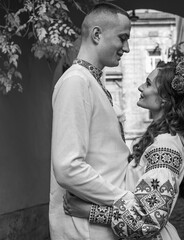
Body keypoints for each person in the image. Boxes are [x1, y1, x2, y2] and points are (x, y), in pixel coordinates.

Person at [63, 55, 184, 239]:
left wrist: (89, 211)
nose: (140, 87)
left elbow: (149, 219)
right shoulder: (163, 139)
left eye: (148, 83)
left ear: (165, 100)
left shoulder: (165, 146)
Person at [50, 2, 133, 240]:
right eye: (122, 38)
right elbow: (68, 168)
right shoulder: (76, 82)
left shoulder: (91, 82)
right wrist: (125, 198)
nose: (126, 48)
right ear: (97, 34)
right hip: (84, 230)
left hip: (99, 227)